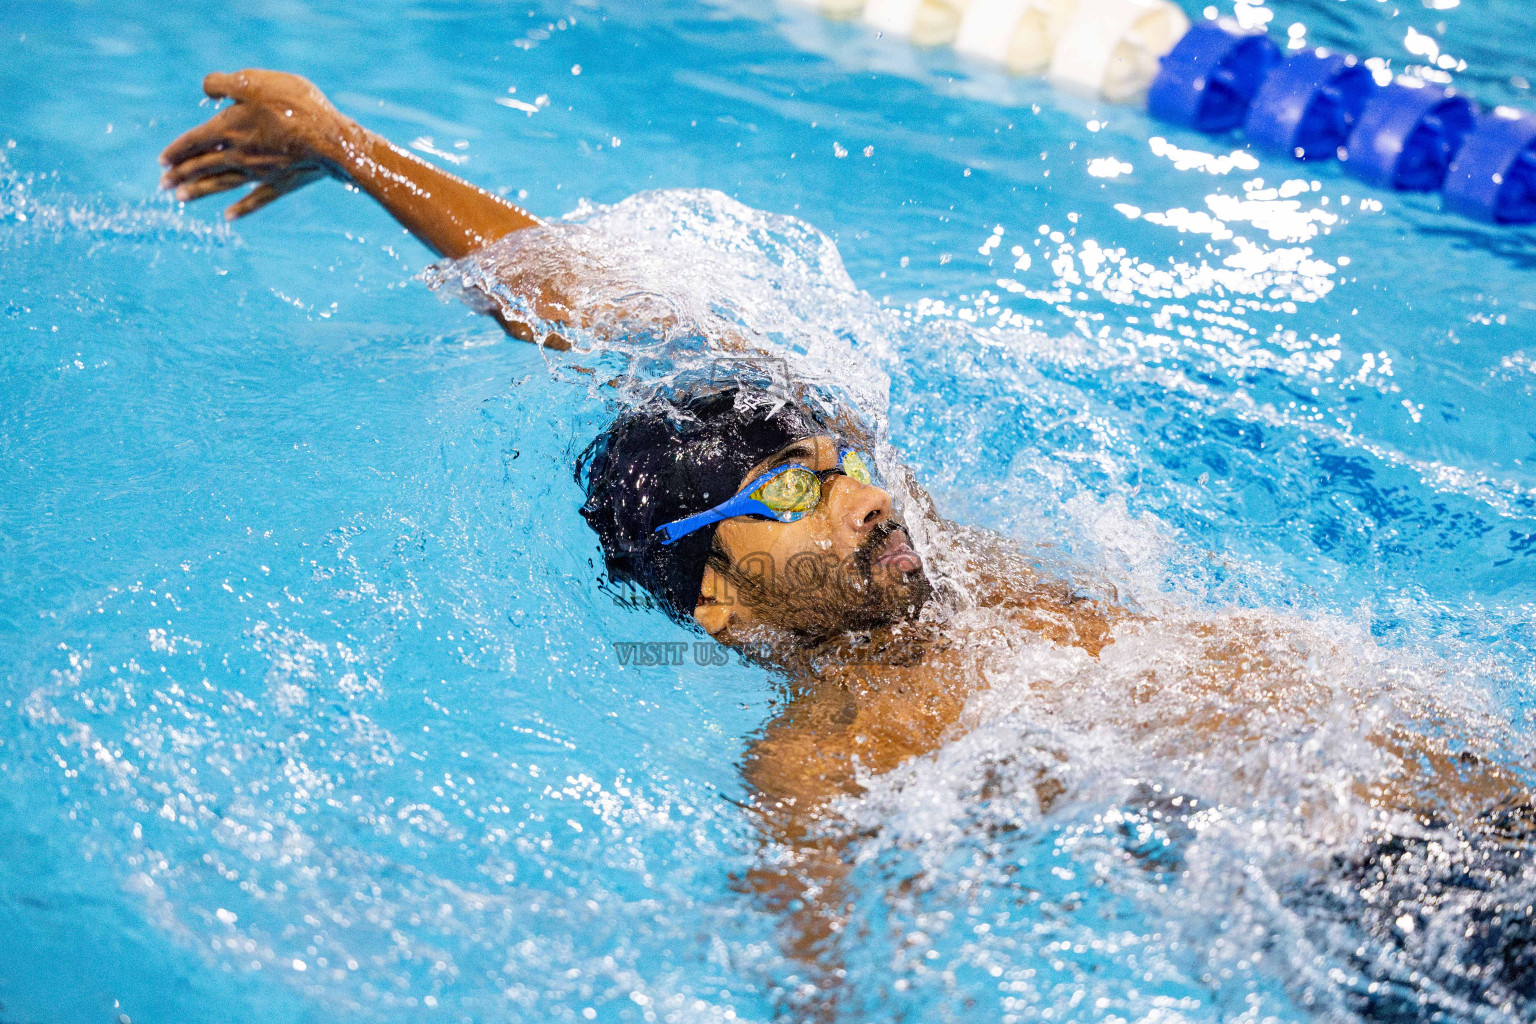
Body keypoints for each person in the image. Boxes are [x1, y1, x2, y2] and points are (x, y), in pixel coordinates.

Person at [160, 70, 1535, 1021]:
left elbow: (604, 320)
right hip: (1384, 912)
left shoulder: (952, 554)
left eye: (836, 463)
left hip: (1467, 787)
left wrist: (350, 150)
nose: (856, 495)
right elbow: (826, 981)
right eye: (785, 495)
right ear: (718, 602)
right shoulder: (825, 757)